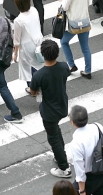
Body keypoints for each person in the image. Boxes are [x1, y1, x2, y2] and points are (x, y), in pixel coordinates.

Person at [30, 40, 71, 178]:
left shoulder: (39, 75)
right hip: (62, 105)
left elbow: (33, 91)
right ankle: (61, 155)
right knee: (56, 132)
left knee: (53, 138)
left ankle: (64, 167)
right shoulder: (64, 66)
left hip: (49, 111)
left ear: (42, 54)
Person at [69, 105, 103, 195]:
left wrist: (82, 191)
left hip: (90, 178)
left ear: (72, 122)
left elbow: (80, 172)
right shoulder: (97, 126)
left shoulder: (76, 143)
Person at [13, 0, 44, 96]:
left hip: (27, 46)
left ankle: (33, 89)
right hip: (39, 40)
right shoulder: (34, 10)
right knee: (39, 63)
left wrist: (15, 53)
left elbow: (17, 40)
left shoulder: (18, 20)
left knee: (29, 68)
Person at [61, 0, 92, 79]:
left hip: (73, 23)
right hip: (85, 22)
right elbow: (89, 3)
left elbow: (64, 7)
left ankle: (71, 65)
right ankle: (87, 71)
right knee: (85, 47)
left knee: (63, 42)